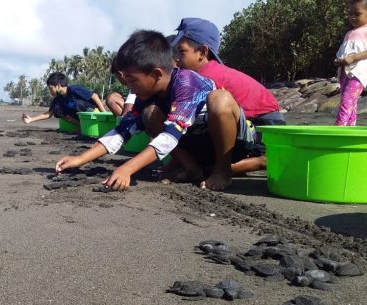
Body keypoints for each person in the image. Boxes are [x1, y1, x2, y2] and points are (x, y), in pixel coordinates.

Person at [56, 30, 255, 191]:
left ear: (156, 74)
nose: (129, 88)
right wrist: (81, 159)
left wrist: (127, 168)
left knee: (219, 100)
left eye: (132, 81)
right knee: (149, 113)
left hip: (232, 145)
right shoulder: (147, 96)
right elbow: (121, 131)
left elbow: (169, 137)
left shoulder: (186, 83)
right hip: (199, 144)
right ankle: (191, 168)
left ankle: (222, 170)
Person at [171, 17, 285, 176]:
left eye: (181, 51)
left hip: (265, 129)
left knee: (205, 166)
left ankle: (259, 160)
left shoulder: (207, 77)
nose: (176, 58)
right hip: (248, 123)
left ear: (202, 52)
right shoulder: (201, 73)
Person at [335, 0, 367, 126]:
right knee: (351, 103)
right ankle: (350, 127)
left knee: (346, 100)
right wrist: (338, 60)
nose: (353, 17)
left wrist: (353, 58)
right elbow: (344, 51)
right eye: (350, 14)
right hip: (344, 72)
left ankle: (339, 127)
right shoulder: (349, 33)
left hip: (358, 72)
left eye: (357, 14)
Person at [22, 72, 106, 125]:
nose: (50, 91)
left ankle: (90, 124)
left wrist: (104, 114)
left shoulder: (74, 89)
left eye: (51, 88)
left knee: (78, 104)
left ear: (58, 86)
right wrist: (31, 119)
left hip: (94, 114)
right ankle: (81, 127)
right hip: (82, 120)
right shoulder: (58, 99)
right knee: (57, 109)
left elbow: (95, 96)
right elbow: (49, 114)